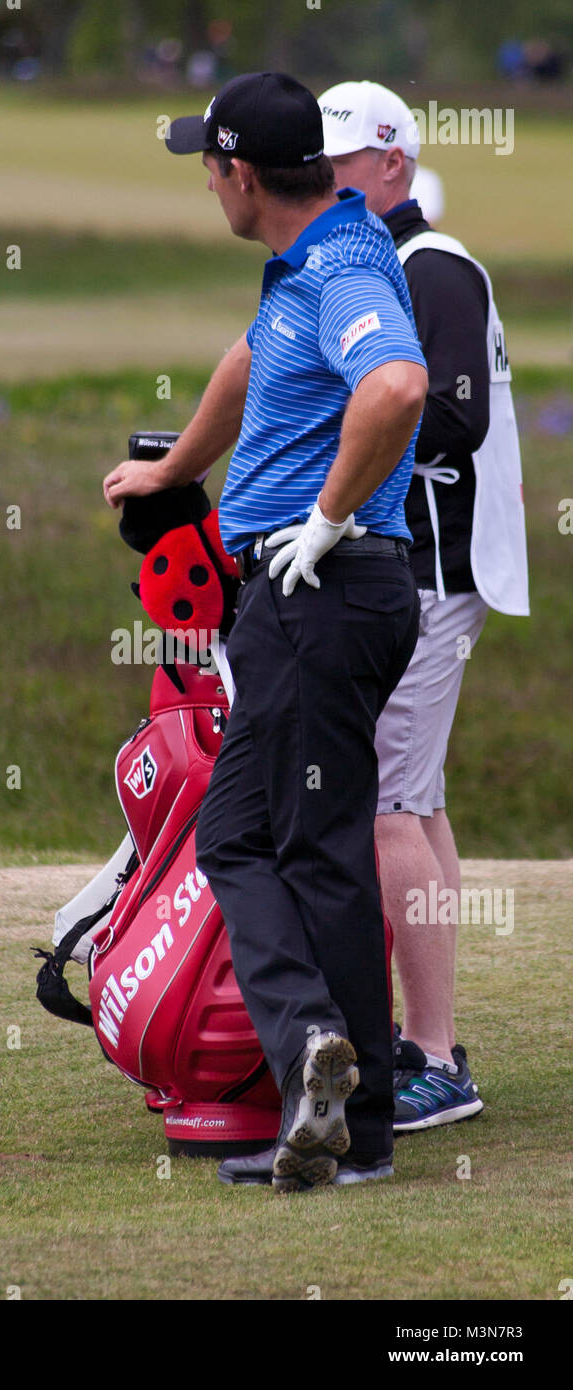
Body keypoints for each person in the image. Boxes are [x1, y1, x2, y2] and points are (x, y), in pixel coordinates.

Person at [103, 71, 428, 1191]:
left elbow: (395, 386)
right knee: (242, 836)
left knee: (316, 848)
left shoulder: (339, 264)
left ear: (243, 175)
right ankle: (313, 1061)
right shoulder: (310, 262)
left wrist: (328, 519)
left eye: (210, 163)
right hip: (310, 595)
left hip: (322, 592)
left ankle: (360, 1121)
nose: (206, 178)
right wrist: (175, 469)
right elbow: (251, 366)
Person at [316, 80, 529, 1131]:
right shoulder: (400, 263)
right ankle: (433, 1039)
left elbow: (449, 415)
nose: (324, 177)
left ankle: (436, 1056)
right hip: (436, 568)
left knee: (392, 805)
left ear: (392, 165)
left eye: (341, 161)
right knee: (420, 802)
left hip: (433, 570)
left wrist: (337, 476)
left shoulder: (428, 264)